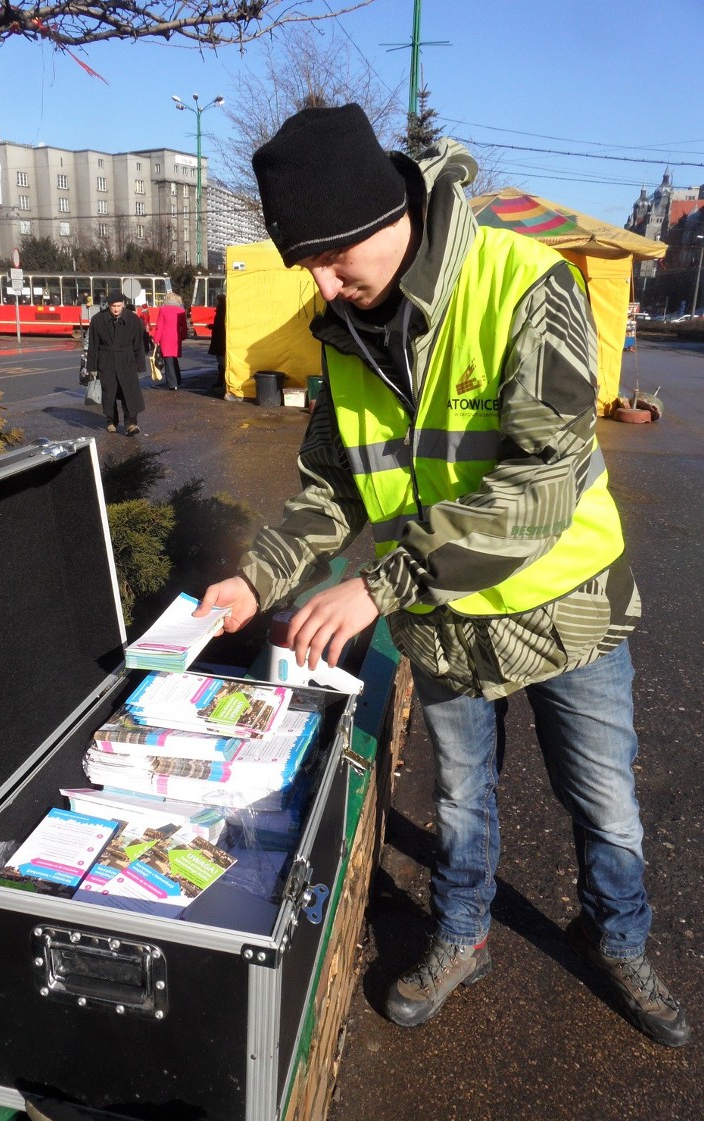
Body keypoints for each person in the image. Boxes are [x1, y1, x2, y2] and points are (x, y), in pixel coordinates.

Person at [195, 103, 690, 1048]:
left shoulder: (524, 282)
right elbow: (331, 486)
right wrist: (259, 578)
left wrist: (379, 584)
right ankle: (462, 936)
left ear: (385, 220)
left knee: (605, 797)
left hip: (564, 610)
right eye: (308, 269)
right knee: (463, 796)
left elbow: (541, 485)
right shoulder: (341, 328)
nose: (327, 289)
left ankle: (618, 935)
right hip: (448, 623)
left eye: (334, 261)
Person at [86, 290, 148, 435]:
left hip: (127, 360)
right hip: (106, 360)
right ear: (108, 305)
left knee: (129, 392)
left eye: (119, 306)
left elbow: (139, 344)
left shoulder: (133, 320)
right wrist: (92, 366)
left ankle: (131, 423)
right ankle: (111, 421)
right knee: (109, 393)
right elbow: (93, 345)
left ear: (123, 305)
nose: (115, 309)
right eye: (113, 306)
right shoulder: (97, 320)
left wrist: (139, 364)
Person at [153, 292, 188, 390]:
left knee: (168, 361)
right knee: (173, 359)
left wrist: (156, 339)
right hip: (176, 337)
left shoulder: (163, 309)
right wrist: (182, 336)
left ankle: (172, 384)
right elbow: (184, 327)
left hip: (165, 337)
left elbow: (159, 326)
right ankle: (178, 380)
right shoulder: (181, 310)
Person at [207, 292, 227, 391]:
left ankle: (221, 380)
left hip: (219, 340)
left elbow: (218, 326)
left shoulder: (220, 312)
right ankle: (222, 380)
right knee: (222, 360)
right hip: (223, 339)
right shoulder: (225, 311)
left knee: (221, 361)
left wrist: (210, 326)